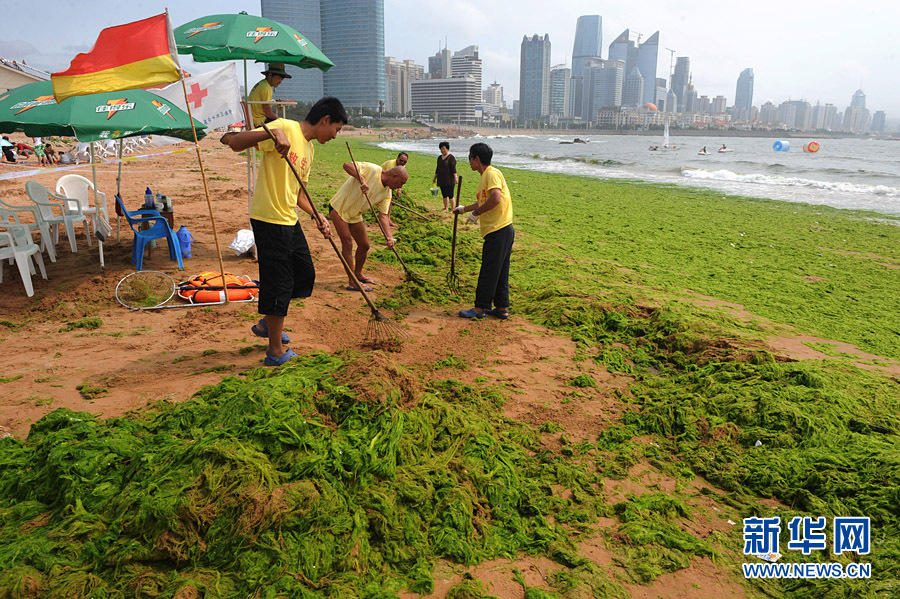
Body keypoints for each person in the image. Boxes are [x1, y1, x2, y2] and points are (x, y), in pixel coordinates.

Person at [220, 96, 348, 366]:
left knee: (304, 274)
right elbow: (233, 143)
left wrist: (317, 215)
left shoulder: (309, 150)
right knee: (278, 283)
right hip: (269, 219)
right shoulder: (286, 127)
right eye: (336, 128)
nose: (336, 136)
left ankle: (268, 323)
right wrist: (272, 132)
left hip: (289, 218)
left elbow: (299, 193)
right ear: (325, 121)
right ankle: (275, 351)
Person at [452, 142, 514, 320]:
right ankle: (502, 308)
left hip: (498, 229)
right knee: (500, 270)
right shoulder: (486, 176)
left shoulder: (491, 174)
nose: (469, 161)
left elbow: (495, 198)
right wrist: (464, 209)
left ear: (476, 158)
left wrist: (476, 213)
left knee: (489, 270)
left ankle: (481, 308)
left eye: (470, 158)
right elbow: (483, 201)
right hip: (502, 229)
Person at [329, 161, 408, 291]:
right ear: (394, 177)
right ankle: (352, 281)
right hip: (339, 208)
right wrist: (361, 179)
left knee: (364, 245)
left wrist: (389, 237)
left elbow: (383, 216)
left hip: (355, 214)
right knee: (348, 243)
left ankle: (358, 273)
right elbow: (346, 165)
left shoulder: (387, 193)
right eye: (402, 183)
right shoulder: (373, 169)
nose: (401, 186)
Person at [248, 62, 291, 128]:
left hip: (254, 120)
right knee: (287, 127)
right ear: (270, 75)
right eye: (278, 78)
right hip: (261, 122)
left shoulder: (261, 84)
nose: (280, 81)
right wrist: (282, 121)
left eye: (282, 79)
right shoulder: (267, 88)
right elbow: (269, 114)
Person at [381, 152, 409, 228]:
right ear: (397, 158)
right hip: (382, 181)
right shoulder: (391, 165)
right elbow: (389, 179)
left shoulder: (401, 166)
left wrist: (399, 190)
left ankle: (388, 219)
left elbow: (400, 178)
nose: (402, 163)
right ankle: (386, 219)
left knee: (390, 199)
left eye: (404, 162)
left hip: (389, 182)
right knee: (388, 199)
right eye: (401, 160)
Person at [432, 141, 457, 212]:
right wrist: (435, 177)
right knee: (444, 194)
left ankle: (453, 209)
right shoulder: (439, 158)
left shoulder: (451, 158)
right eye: (441, 149)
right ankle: (446, 208)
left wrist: (455, 178)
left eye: (444, 148)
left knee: (450, 194)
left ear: (447, 149)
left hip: (449, 179)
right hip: (441, 179)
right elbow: (438, 168)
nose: (442, 150)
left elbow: (453, 169)